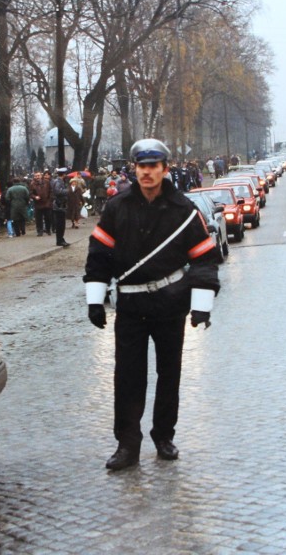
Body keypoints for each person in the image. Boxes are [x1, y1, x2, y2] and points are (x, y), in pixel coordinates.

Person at [83, 138, 221, 471]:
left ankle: (164, 436)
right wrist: (96, 300)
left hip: (169, 304)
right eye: (142, 167)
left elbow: (204, 259)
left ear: (164, 169)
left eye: (153, 166)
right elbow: (99, 255)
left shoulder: (183, 211)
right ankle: (127, 444)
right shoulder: (117, 208)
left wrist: (202, 304)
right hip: (130, 305)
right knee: (127, 377)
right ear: (135, 169)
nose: (147, 173)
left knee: (168, 373)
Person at [51, 167, 70, 247]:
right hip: (59, 205)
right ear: (64, 174)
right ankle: (59, 240)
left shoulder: (60, 181)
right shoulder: (58, 182)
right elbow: (58, 191)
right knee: (60, 224)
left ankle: (61, 239)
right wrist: (67, 191)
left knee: (61, 224)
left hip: (61, 204)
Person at [30, 171, 53, 236]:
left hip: (47, 203)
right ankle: (40, 231)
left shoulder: (47, 182)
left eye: (38, 175)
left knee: (48, 217)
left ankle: (48, 230)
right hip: (38, 204)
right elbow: (30, 193)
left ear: (41, 176)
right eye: (36, 176)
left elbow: (51, 191)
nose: (37, 177)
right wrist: (35, 197)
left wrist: (50, 200)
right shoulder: (32, 184)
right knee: (38, 219)